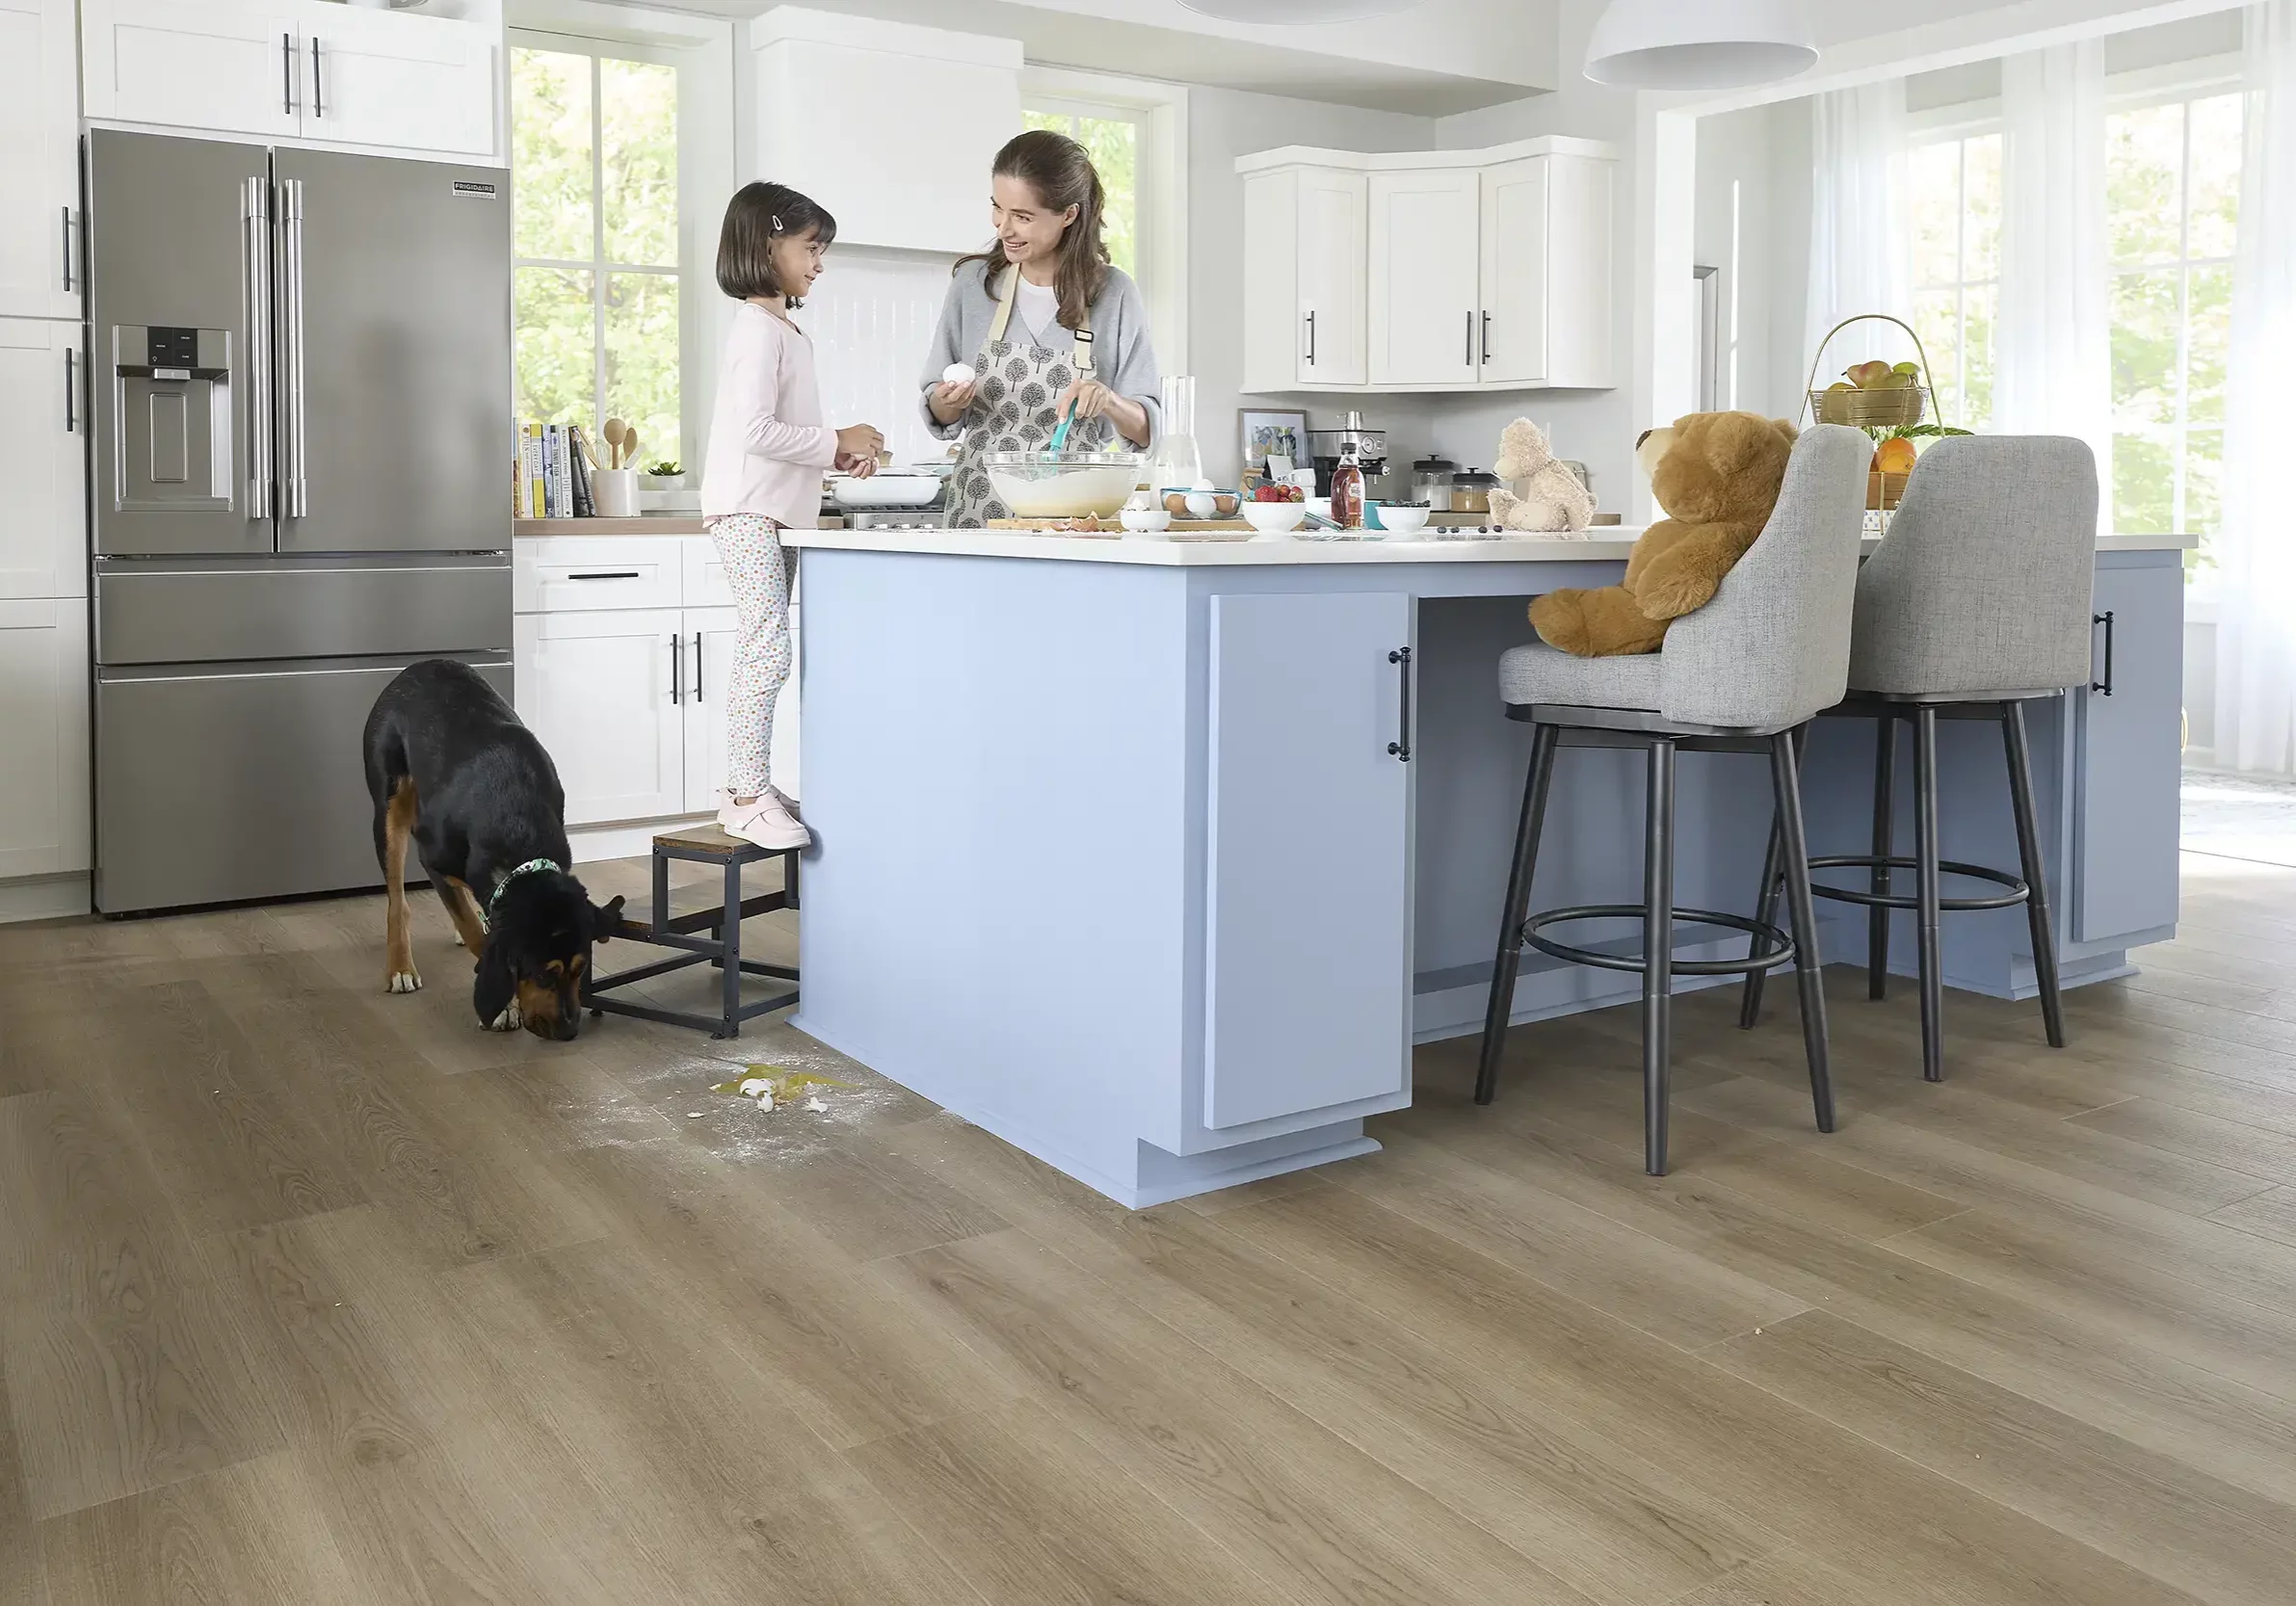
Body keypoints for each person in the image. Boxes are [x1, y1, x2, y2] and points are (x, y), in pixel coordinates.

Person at [699, 181, 883, 850]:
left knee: (769, 647)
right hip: (748, 510)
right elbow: (754, 431)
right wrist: (835, 441)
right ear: (765, 242)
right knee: (766, 648)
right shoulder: (756, 329)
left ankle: (753, 783)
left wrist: (839, 455)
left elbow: (786, 432)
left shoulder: (783, 330)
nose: (819, 263)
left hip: (775, 511)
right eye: (810, 247)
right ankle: (745, 794)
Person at [920, 129, 1162, 525]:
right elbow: (938, 410)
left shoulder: (1114, 293)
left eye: (1023, 217)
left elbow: (1147, 430)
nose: (1003, 228)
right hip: (980, 507)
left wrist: (1110, 401)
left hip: (1074, 513)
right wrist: (949, 401)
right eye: (998, 208)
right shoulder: (973, 284)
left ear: (1069, 214)